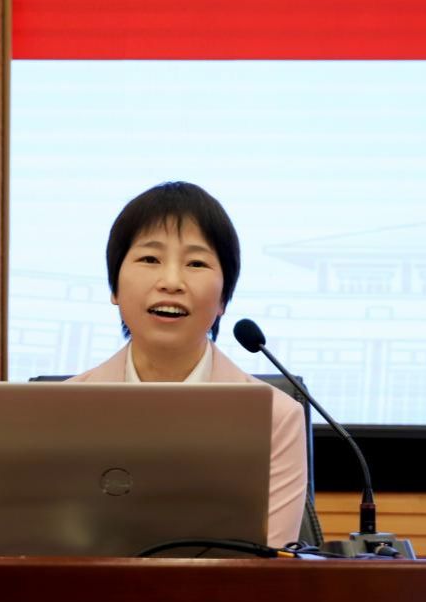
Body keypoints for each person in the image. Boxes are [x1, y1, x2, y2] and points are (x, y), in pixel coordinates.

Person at [68, 181, 307, 547]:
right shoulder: (63, 409)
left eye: (196, 263)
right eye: (150, 259)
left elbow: (267, 565)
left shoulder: (276, 417)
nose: (171, 282)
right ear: (114, 287)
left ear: (223, 298)